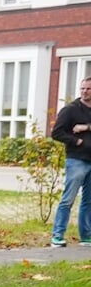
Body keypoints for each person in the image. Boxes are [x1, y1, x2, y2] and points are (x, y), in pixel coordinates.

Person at [50, 76, 91, 247]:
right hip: (77, 160)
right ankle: (57, 235)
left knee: (89, 201)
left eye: (88, 89)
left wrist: (86, 127)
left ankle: (86, 236)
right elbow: (56, 133)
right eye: (82, 88)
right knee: (68, 199)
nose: (84, 91)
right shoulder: (70, 110)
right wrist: (77, 141)